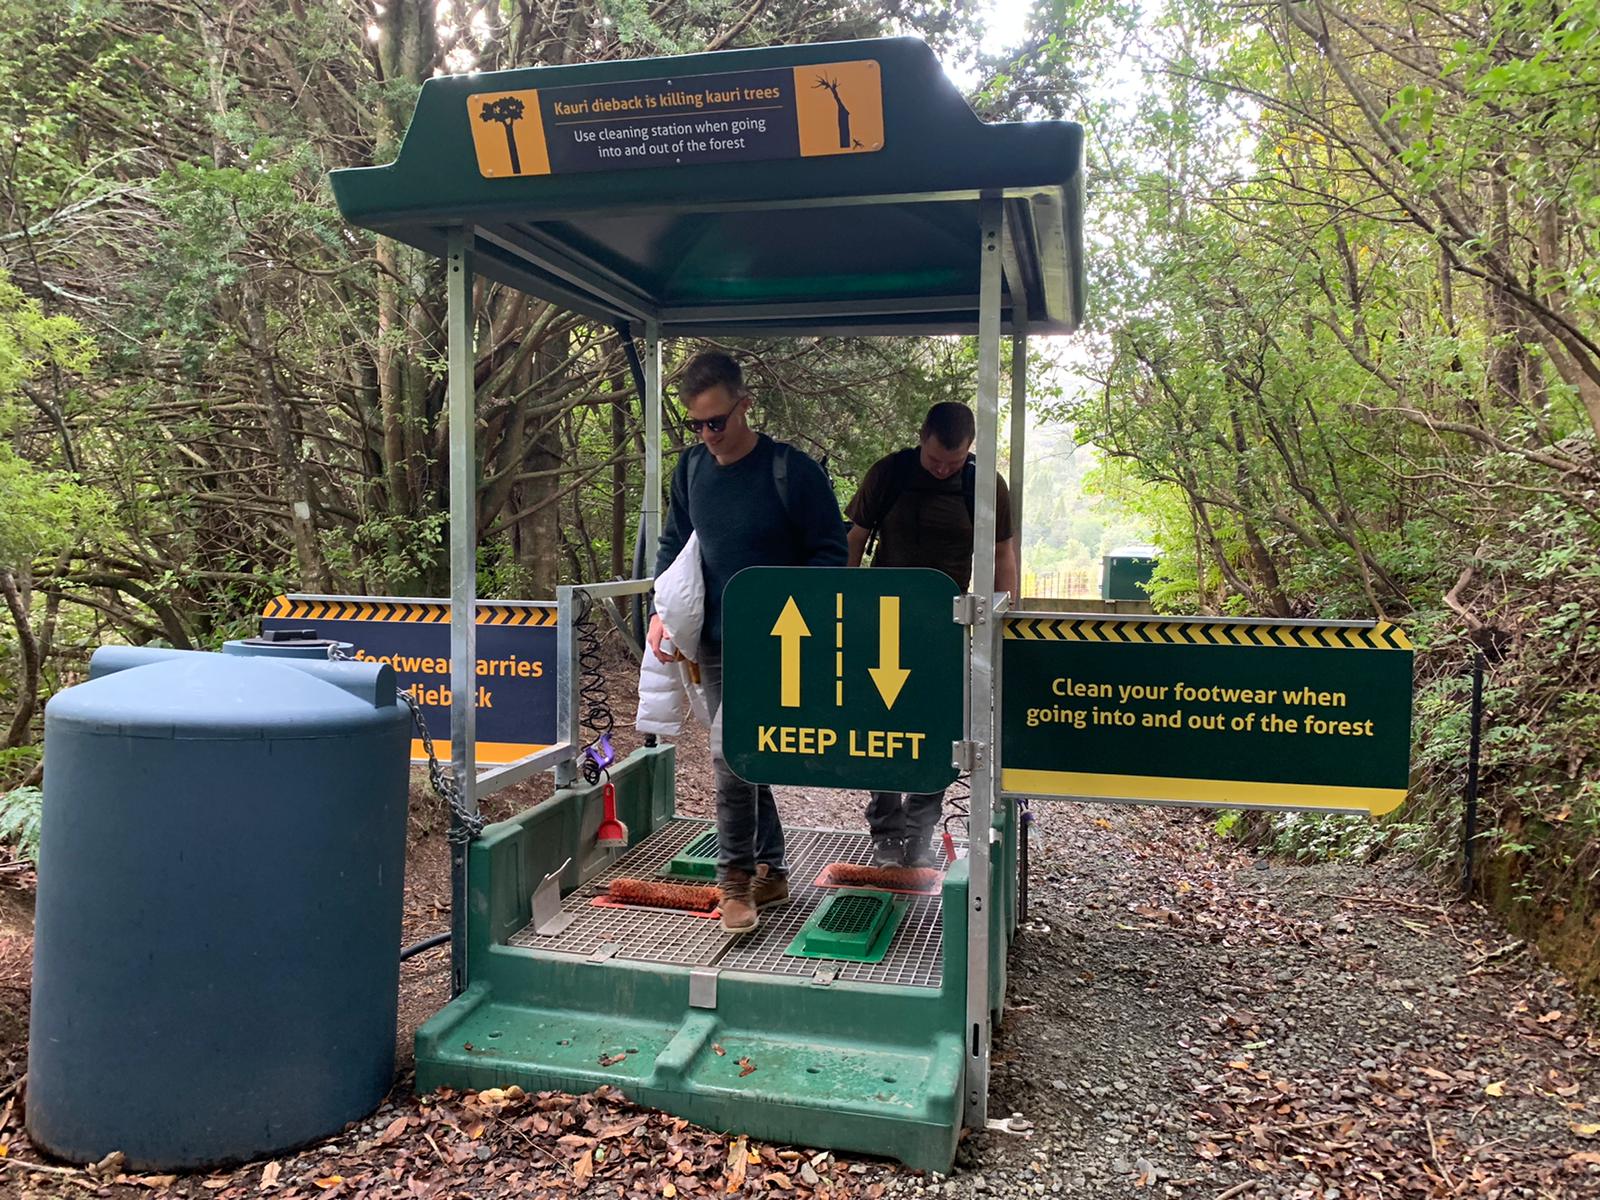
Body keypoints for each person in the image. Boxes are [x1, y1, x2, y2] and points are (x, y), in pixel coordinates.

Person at [650, 350, 848, 933]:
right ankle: (775, 868)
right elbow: (673, 548)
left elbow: (831, 554)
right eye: (697, 424)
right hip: (713, 641)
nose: (709, 435)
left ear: (745, 405)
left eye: (718, 421)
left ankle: (734, 880)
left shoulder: (793, 471)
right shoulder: (690, 471)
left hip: (782, 642)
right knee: (742, 756)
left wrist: (800, 617)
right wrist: (662, 612)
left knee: (729, 755)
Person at [844, 401, 1018, 866]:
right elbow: (854, 539)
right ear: (921, 438)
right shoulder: (890, 474)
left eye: (955, 462)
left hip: (947, 626)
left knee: (938, 730)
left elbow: (1002, 555)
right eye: (936, 459)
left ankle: (920, 834)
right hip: (882, 621)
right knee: (878, 728)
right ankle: (885, 830)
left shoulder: (985, 486)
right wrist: (841, 605)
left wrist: (1000, 620)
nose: (943, 469)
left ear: (970, 451)